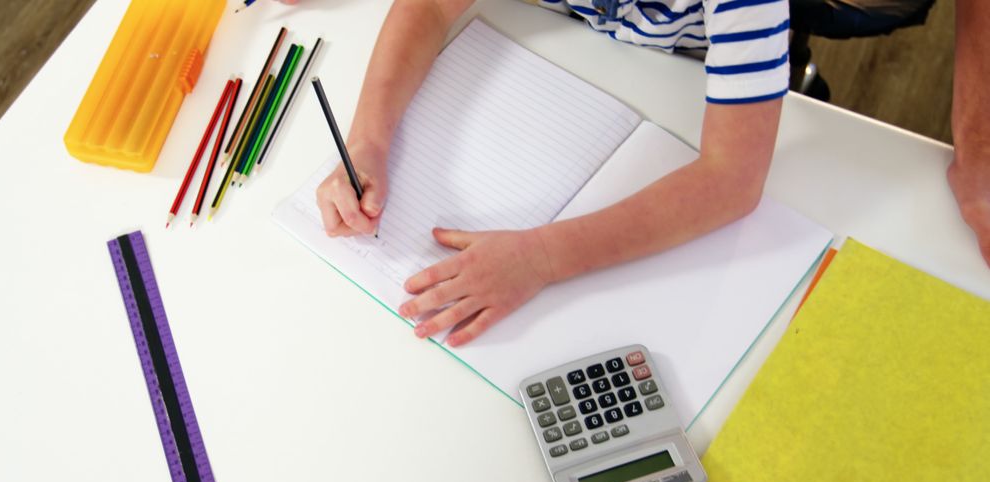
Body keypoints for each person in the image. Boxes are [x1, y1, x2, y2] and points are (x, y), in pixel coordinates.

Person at [311, 0, 990, 347]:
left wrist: (543, 256)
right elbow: (429, 8)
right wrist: (368, 138)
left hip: (695, 70)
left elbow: (731, 178)